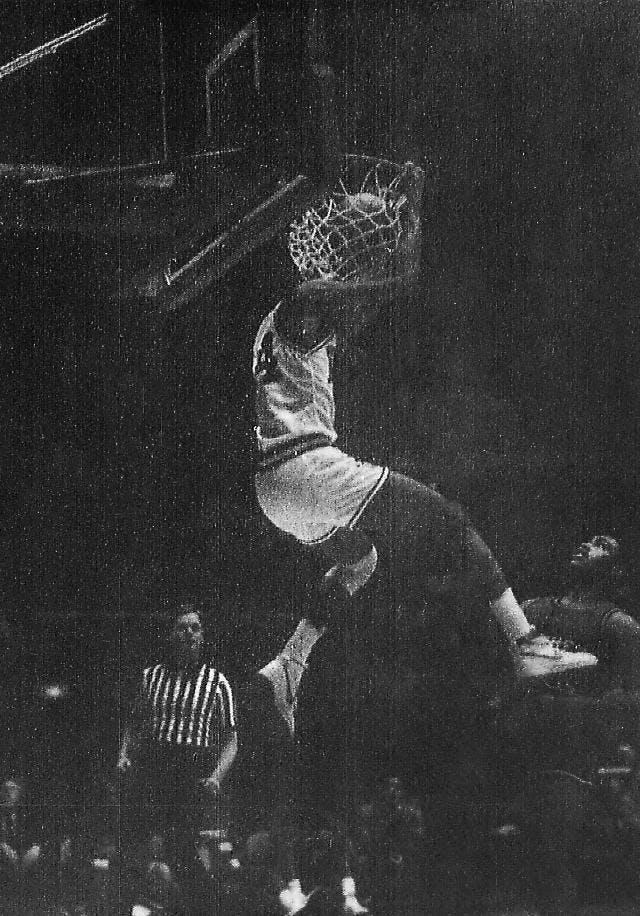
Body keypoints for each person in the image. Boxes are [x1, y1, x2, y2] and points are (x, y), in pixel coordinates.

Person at [252, 160, 597, 732]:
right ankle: (526, 642)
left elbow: (366, 313)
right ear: (337, 250)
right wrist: (410, 213)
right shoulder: (310, 298)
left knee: (360, 560)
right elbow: (402, 283)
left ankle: (291, 663)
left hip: (274, 486)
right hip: (306, 467)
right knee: (454, 524)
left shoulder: (279, 320)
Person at [116, 599, 238, 896]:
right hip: (154, 767)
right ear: (171, 635)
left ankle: (204, 907)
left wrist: (216, 777)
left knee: (180, 850)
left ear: (202, 635)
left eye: (195, 628)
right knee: (134, 848)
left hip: (190, 772)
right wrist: (123, 755)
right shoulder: (151, 676)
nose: (188, 634)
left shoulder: (217, 683)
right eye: (182, 628)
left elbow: (231, 740)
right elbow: (134, 722)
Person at [523, 534, 640, 692]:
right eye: (588, 541)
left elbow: (630, 698)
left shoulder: (621, 626)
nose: (585, 545)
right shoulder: (531, 608)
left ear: (616, 570)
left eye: (602, 546)